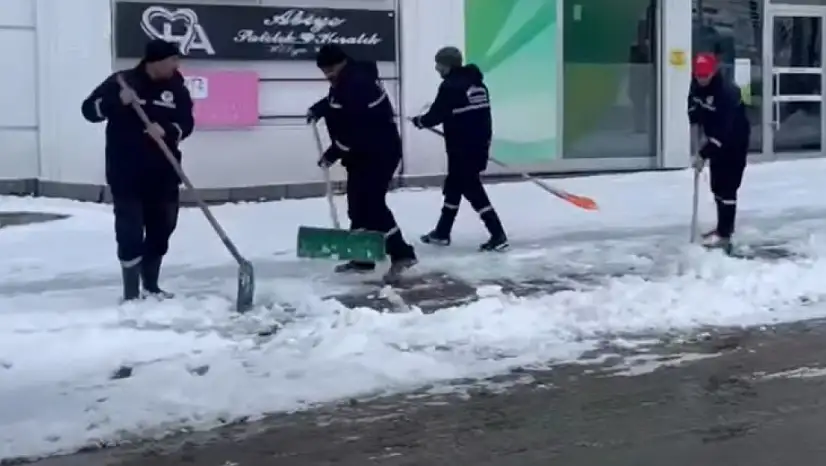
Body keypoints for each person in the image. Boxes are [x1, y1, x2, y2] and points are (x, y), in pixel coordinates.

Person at [81, 39, 194, 301]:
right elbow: (88, 110)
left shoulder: (176, 87)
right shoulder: (122, 81)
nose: (176, 65)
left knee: (163, 227)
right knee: (130, 230)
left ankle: (151, 286)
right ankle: (131, 293)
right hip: (126, 172)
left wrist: (167, 130)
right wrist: (116, 102)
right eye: (172, 60)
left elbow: (187, 122)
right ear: (156, 62)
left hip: (164, 171)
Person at [306, 44, 417, 281]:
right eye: (324, 70)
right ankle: (362, 256)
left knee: (372, 205)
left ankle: (402, 254)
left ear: (341, 62)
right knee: (357, 204)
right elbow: (335, 103)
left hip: (379, 152)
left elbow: (354, 129)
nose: (327, 74)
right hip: (362, 153)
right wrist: (318, 110)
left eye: (329, 69)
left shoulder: (358, 83)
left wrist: (332, 154)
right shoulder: (345, 79)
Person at [411, 46, 507, 252]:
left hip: (461, 148)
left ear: (448, 65)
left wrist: (420, 121)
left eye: (439, 64)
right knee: (454, 187)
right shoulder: (478, 85)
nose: (437, 68)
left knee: (472, 189)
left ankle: (497, 234)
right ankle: (442, 233)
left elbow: (436, 115)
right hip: (478, 145)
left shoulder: (451, 86)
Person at [688, 52, 750, 253]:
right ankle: (720, 228)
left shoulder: (726, 93)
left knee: (727, 187)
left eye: (705, 75)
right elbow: (694, 109)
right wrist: (695, 126)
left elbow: (724, 131)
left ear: (713, 73)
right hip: (715, 138)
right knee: (716, 185)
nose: (701, 79)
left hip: (734, 140)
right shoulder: (696, 84)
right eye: (698, 75)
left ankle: (725, 234)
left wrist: (703, 154)